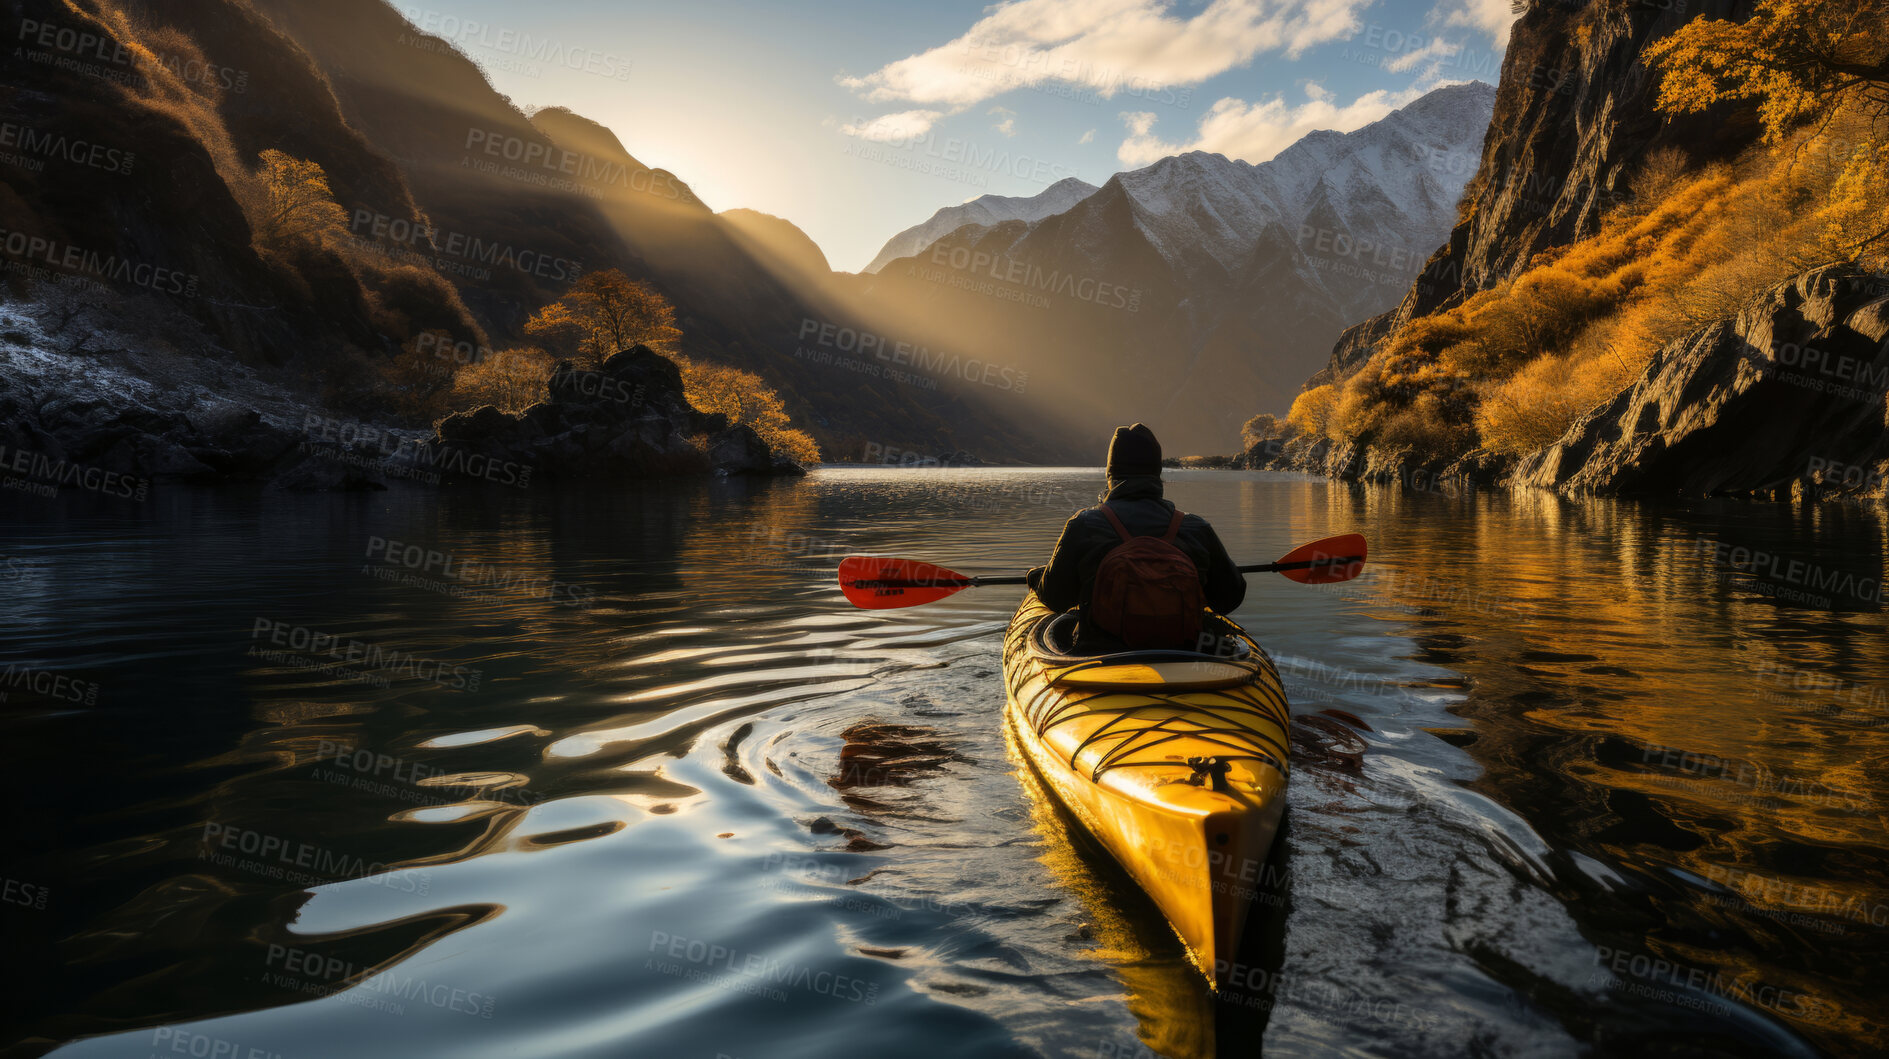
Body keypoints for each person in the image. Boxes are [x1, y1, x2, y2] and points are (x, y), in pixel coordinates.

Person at [1026, 423, 1245, 652]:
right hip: (1186, 654)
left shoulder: (1084, 525)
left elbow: (1055, 599)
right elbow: (1230, 598)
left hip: (1100, 655)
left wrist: (1036, 578)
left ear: (1111, 475)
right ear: (1157, 474)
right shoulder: (1195, 528)